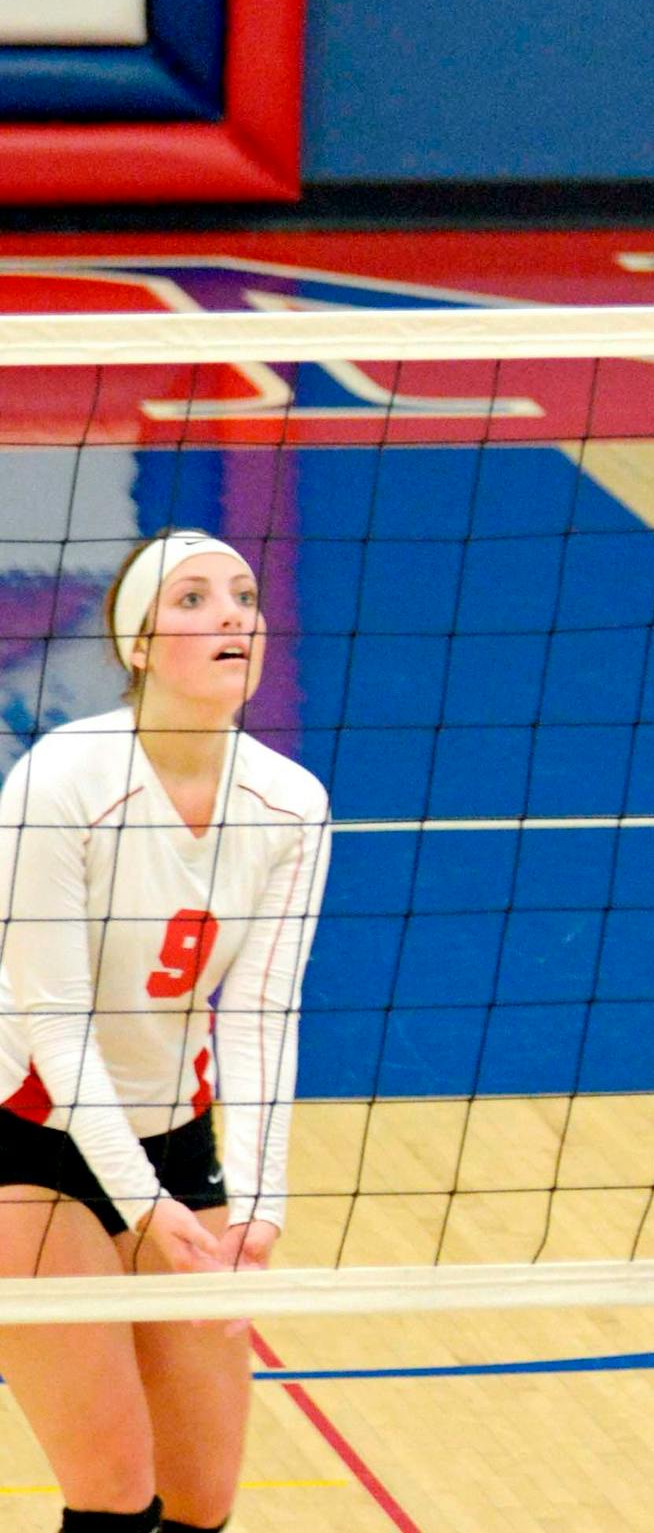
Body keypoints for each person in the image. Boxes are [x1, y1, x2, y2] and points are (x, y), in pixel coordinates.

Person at [0, 530, 332, 1533]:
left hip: (177, 1141)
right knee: (114, 1491)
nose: (232, 614)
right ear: (138, 645)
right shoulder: (61, 781)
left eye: (242, 594)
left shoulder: (291, 804)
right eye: (193, 599)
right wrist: (139, 1205)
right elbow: (52, 1025)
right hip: (28, 1144)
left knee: (201, 1502)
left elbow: (264, 1016)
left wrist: (261, 1205)